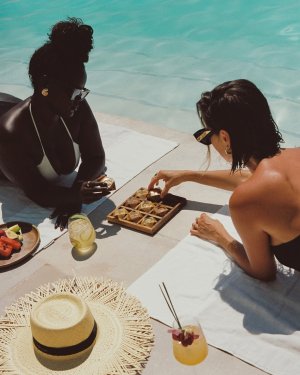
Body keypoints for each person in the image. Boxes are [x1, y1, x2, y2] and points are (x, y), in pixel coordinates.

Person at [149, 79, 300, 281]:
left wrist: (220, 236)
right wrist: (189, 175)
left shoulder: (245, 201)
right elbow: (259, 180)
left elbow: (264, 272)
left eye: (206, 135)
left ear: (225, 137)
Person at [0, 17, 110, 230]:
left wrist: (76, 193)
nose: (80, 99)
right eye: (74, 92)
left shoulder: (76, 107)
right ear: (45, 87)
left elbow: (96, 156)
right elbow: (37, 191)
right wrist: (72, 196)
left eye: (82, 91)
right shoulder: (11, 134)